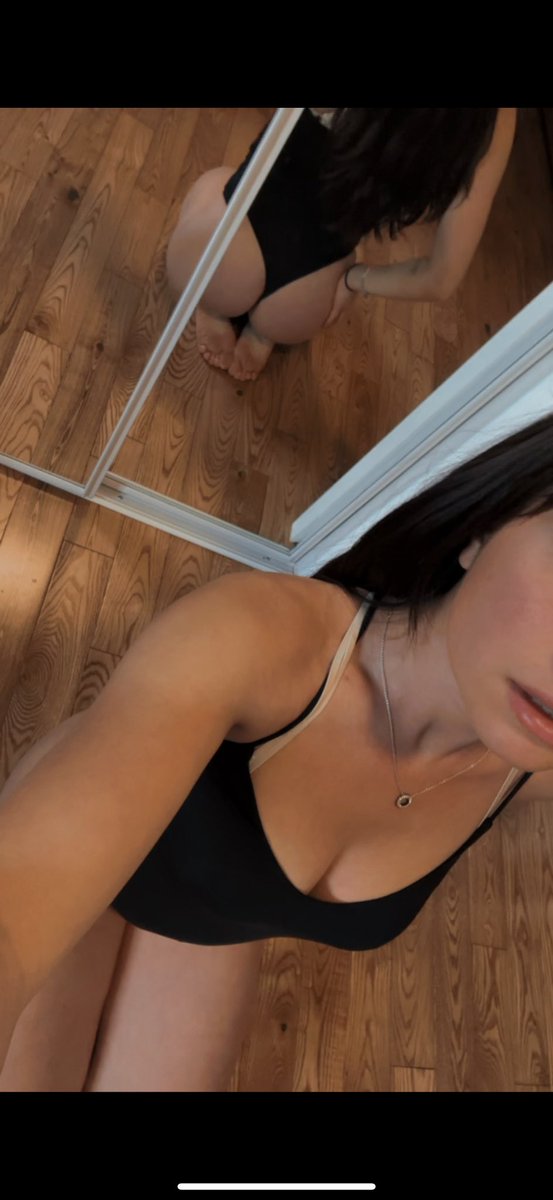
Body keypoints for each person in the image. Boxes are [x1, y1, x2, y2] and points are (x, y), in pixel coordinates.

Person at [0, 413, 552, 1092]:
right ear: (484, 528)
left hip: (213, 922)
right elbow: (17, 909)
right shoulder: (256, 638)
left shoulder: (528, 772)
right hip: (94, 876)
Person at [166, 107, 517, 382]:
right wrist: (353, 280)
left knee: (214, 183)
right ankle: (262, 333)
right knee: (311, 267)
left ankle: (214, 308)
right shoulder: (497, 119)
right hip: (300, 301)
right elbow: (440, 279)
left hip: (227, 255)